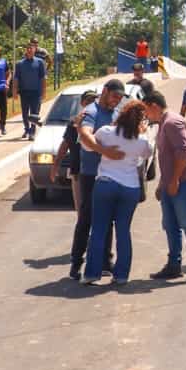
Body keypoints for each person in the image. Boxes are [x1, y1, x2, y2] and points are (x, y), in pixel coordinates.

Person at [82, 102, 153, 286]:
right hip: (130, 188)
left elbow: (87, 146)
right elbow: (148, 153)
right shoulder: (141, 140)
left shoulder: (106, 132)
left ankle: (92, 274)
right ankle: (121, 275)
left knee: (98, 230)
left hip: (106, 183)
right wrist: (143, 132)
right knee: (123, 231)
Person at [146, 92, 186, 282]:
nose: (146, 115)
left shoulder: (172, 122)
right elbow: (167, 158)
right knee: (170, 226)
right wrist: (162, 184)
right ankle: (174, 266)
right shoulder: (163, 123)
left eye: (146, 110)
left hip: (184, 181)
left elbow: (184, 153)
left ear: (154, 106)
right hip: (171, 182)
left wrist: (175, 181)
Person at [70, 79, 124, 280]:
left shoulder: (116, 113)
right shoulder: (91, 112)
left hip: (110, 174)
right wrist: (105, 151)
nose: (116, 100)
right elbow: (85, 136)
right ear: (105, 91)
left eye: (120, 98)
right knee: (86, 219)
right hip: (91, 174)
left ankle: (105, 262)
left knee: (108, 219)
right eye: (115, 96)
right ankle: (76, 262)